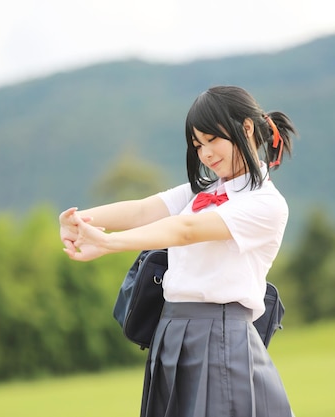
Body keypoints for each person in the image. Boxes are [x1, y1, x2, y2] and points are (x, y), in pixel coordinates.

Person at [60, 85, 296, 417]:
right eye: (198, 145)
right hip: (172, 333)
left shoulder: (266, 204)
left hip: (220, 337)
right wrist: (78, 220)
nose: (206, 154)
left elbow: (186, 231)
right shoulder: (201, 191)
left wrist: (107, 242)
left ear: (245, 128)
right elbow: (143, 210)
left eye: (213, 140)